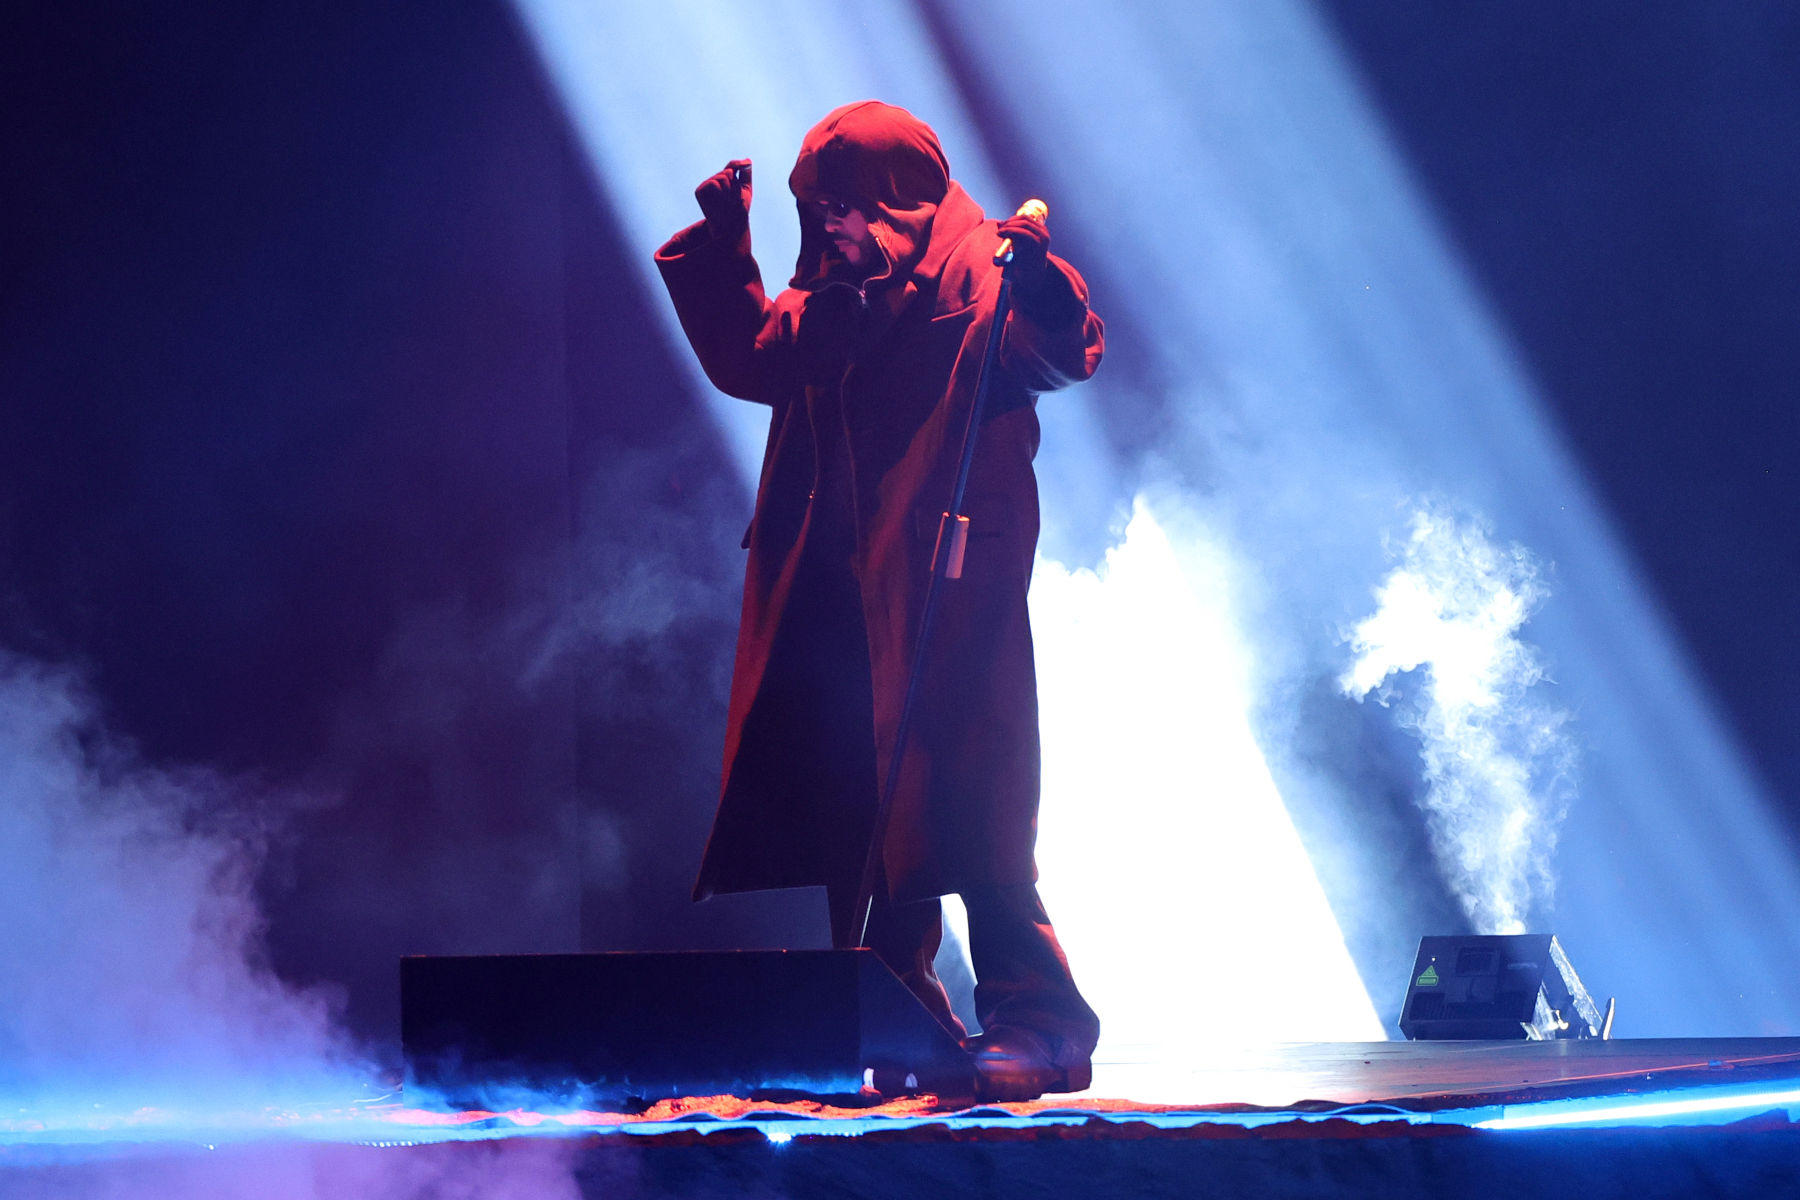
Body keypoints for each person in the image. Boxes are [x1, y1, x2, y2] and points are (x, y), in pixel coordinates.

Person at [654, 100, 1103, 1101]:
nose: (829, 227)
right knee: (857, 806)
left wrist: (1042, 284)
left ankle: (1041, 1020)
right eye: (816, 211)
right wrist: (727, 254)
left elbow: (1055, 353)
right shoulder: (839, 290)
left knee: (970, 802)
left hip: (947, 578)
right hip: (836, 582)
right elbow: (758, 356)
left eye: (843, 207)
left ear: (896, 196)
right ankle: (897, 1018)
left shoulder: (977, 265)